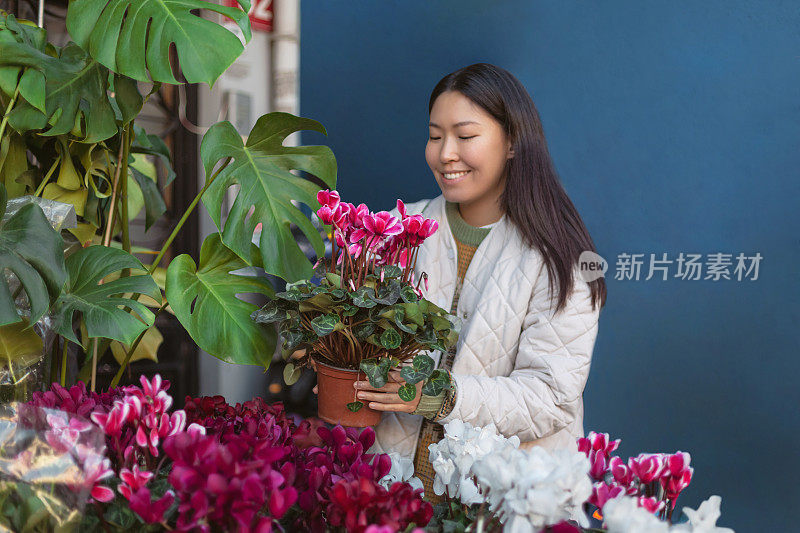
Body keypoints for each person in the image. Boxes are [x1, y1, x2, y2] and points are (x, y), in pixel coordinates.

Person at [320, 63, 606, 502]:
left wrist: (439, 394)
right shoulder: (393, 231)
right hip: (392, 499)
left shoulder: (562, 255)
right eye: (435, 136)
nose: (445, 153)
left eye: (465, 136)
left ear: (512, 142)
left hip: (501, 507)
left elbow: (550, 398)